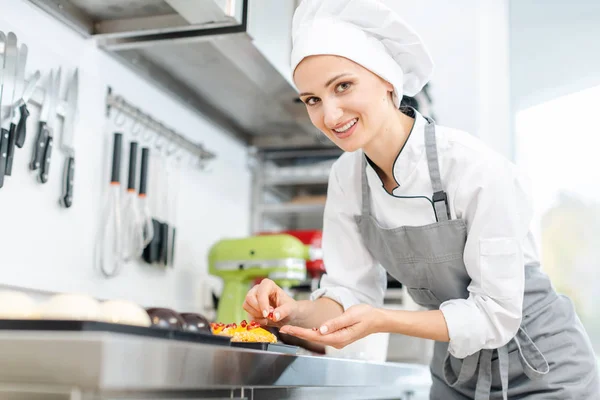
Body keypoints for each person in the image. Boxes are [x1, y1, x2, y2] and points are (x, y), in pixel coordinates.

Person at [243, 0, 600, 398]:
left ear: (388, 82)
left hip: (545, 367)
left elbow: (496, 315)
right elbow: (351, 293)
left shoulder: (473, 167)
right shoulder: (347, 178)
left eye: (342, 86)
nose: (329, 114)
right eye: (311, 99)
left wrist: (382, 320)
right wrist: (295, 310)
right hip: (456, 372)